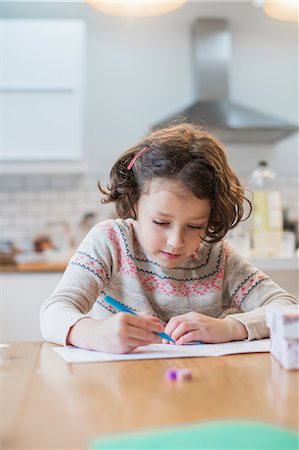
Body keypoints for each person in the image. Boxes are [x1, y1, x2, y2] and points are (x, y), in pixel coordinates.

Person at [40, 124, 297, 354]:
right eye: (161, 223)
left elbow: (288, 309)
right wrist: (93, 333)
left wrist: (229, 328)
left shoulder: (218, 257)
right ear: (133, 202)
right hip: (121, 392)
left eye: (195, 226)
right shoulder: (111, 242)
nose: (176, 241)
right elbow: (54, 312)